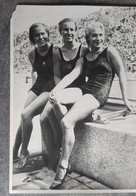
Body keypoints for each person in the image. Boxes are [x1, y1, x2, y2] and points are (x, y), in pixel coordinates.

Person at [48, 22, 136, 189]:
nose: (98, 38)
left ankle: (64, 164)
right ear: (87, 38)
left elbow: (121, 73)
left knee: (67, 122)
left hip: (98, 93)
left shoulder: (109, 51)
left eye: (100, 35)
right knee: (56, 98)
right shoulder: (83, 58)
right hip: (85, 90)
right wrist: (55, 89)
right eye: (94, 35)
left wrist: (126, 100)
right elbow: (72, 76)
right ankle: (76, 125)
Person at [40, 18, 89, 170]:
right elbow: (56, 75)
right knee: (42, 119)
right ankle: (54, 153)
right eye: (65, 30)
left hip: (78, 91)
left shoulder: (84, 49)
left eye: (71, 29)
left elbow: (87, 74)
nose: (69, 33)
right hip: (61, 89)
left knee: (54, 116)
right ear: (60, 32)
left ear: (76, 31)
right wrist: (59, 89)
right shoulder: (57, 51)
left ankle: (60, 148)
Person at [13, 23, 55, 169]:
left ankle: (24, 152)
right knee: (23, 118)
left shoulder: (55, 50)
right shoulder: (32, 54)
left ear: (48, 34)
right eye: (37, 35)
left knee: (26, 114)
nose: (41, 37)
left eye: (43, 33)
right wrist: (32, 88)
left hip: (51, 86)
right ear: (32, 38)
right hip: (38, 85)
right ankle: (14, 150)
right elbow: (34, 71)